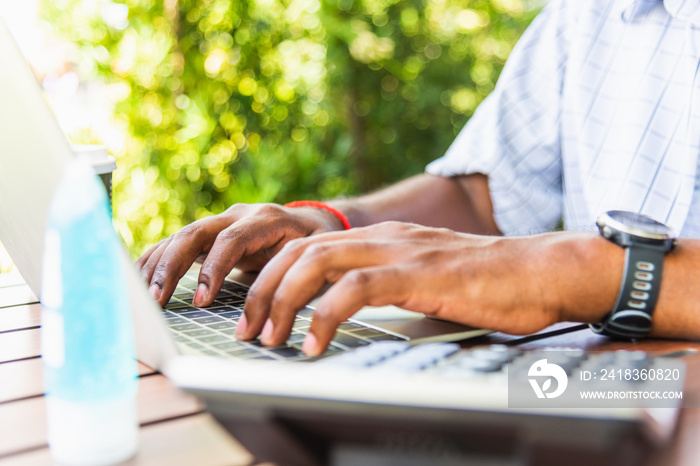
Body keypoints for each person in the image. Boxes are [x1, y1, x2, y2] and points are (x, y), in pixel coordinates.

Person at [138, 0, 700, 356]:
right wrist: (332, 227)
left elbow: (559, 268)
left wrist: (575, 272)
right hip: (616, 388)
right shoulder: (589, 15)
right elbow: (483, 196)